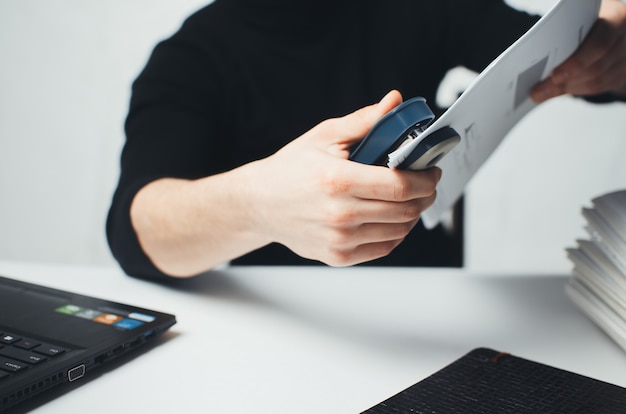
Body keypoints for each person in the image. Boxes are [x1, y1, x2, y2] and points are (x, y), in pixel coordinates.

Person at [107, 0, 626, 280]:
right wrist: (262, 204)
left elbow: (565, 56)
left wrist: (610, 52)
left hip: (428, 304)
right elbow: (136, 232)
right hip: (281, 317)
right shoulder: (189, 59)